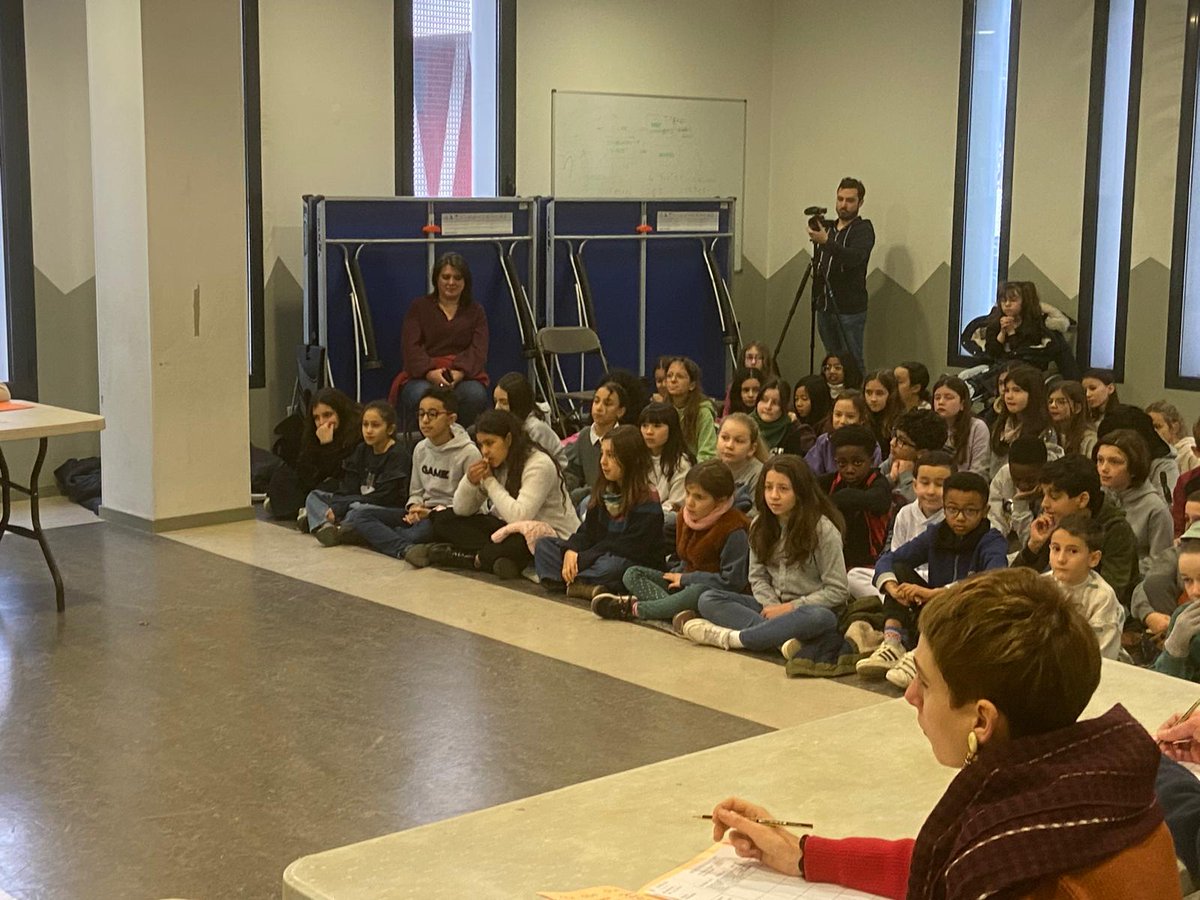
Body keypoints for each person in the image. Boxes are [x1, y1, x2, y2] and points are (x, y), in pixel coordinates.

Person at [712, 568, 1180, 900]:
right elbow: (940, 861)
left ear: (981, 721)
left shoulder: (1023, 880)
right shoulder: (1080, 799)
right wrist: (802, 854)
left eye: (926, 681)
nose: (910, 695)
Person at [675, 455, 851, 663]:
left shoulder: (823, 530)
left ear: (800, 491)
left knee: (821, 618)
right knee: (708, 599)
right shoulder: (759, 525)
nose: (774, 496)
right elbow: (757, 577)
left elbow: (838, 590)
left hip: (807, 611)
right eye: (768, 488)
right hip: (769, 606)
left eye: (783, 489)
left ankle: (733, 638)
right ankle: (780, 640)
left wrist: (790, 608)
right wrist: (773, 606)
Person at [859, 472, 1007, 688]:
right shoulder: (936, 534)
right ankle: (892, 642)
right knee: (898, 570)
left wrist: (936, 594)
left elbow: (994, 579)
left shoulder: (992, 540)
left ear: (985, 511)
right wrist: (892, 587)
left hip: (968, 616)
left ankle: (921, 658)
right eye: (952, 509)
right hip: (932, 612)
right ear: (944, 508)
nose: (960, 517)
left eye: (970, 511)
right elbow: (890, 559)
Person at [420, 410, 578, 578]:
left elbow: (520, 516)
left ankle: (472, 558)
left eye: (490, 443)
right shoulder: (497, 462)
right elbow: (461, 509)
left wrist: (490, 482)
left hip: (550, 537)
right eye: (481, 445)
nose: (485, 451)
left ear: (508, 439)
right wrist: (470, 482)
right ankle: (496, 559)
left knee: (518, 542)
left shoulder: (539, 464)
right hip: (508, 528)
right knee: (444, 519)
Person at [593, 460, 749, 623]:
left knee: (697, 591)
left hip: (711, 591)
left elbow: (732, 582)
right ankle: (673, 610)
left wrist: (686, 579)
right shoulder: (685, 516)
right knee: (632, 574)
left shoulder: (733, 529)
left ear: (720, 501)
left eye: (699, 497)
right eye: (688, 493)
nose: (689, 502)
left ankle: (634, 609)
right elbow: (685, 559)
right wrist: (677, 575)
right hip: (683, 581)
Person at [534, 425, 664, 601]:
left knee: (614, 567)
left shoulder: (647, 497)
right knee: (544, 545)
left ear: (630, 458)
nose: (603, 461)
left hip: (628, 560)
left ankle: (568, 581)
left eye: (611, 455)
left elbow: (630, 548)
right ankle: (580, 584)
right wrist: (571, 549)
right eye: (602, 454)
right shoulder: (604, 491)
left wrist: (583, 558)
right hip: (597, 555)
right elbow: (587, 532)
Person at [350, 388, 480, 561]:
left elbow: (473, 504)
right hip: (421, 512)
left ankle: (381, 538)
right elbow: (416, 491)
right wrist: (414, 507)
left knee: (420, 533)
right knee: (361, 514)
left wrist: (431, 513)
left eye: (433, 414)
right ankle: (406, 548)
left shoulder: (469, 453)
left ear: (451, 419)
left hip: (446, 518)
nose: (425, 420)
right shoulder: (420, 448)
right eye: (421, 414)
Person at [1010, 455, 1138, 606]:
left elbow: (1111, 596)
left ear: (1082, 499)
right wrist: (1033, 546)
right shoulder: (1056, 520)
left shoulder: (1116, 529)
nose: (1044, 504)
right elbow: (1013, 584)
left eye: (1054, 497)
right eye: (1044, 495)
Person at [396, 252, 489, 427]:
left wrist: (459, 373)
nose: (451, 282)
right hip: (422, 377)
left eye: (457, 278)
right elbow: (411, 347)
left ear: (465, 281)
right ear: (436, 279)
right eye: (446, 277)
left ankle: (459, 439)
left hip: (464, 377)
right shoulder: (418, 307)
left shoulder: (476, 311)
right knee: (420, 394)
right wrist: (430, 373)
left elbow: (479, 349)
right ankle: (431, 441)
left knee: (475, 395)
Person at [846, 450, 954, 600]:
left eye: (939, 485)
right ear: (915, 485)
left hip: (936, 584)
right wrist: (893, 583)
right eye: (924, 483)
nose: (931, 491)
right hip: (903, 578)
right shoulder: (905, 513)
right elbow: (895, 558)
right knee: (854, 575)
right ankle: (897, 599)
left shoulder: (954, 520)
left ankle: (899, 600)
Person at [305, 400, 410, 545]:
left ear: (390, 429)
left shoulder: (398, 455)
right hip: (356, 500)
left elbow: (385, 497)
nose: (369, 430)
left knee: (359, 511)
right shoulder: (361, 449)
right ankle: (328, 526)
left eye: (375, 425)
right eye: (365, 425)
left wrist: (344, 504)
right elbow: (349, 486)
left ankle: (328, 525)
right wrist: (341, 503)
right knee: (315, 496)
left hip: (383, 506)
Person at [807, 177, 875, 373]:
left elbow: (854, 258)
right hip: (824, 306)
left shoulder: (863, 229)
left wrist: (826, 242)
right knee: (832, 361)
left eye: (850, 200)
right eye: (840, 199)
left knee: (852, 361)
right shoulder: (829, 228)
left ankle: (856, 391)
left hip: (849, 310)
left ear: (860, 203)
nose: (844, 205)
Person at [265, 387, 362, 523]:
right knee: (284, 475)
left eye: (328, 415)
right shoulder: (313, 433)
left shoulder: (356, 434)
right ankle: (296, 507)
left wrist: (327, 445)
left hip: (342, 482)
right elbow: (304, 469)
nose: (322, 422)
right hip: (318, 480)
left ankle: (307, 511)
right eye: (317, 418)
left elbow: (338, 471)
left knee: (327, 488)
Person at [1043, 514, 1124, 659]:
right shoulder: (1040, 585)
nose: (1061, 559)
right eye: (1056, 549)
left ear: (1093, 558)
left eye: (1072, 551)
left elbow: (1101, 654)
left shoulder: (1102, 597)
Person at [1097, 429, 1173, 574]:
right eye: (1100, 460)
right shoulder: (1099, 498)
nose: (1104, 468)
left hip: (1139, 582)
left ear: (1134, 467)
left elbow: (1161, 563)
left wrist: (1122, 569)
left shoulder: (1155, 508)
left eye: (1114, 462)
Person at [819, 424, 892, 570]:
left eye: (857, 463)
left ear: (871, 460)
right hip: (832, 562)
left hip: (870, 566)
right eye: (842, 463)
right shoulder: (830, 481)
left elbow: (873, 501)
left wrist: (828, 503)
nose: (849, 470)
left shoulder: (879, 484)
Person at [1099, 404, 1181, 504]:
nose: (1104, 467)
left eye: (1114, 461)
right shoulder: (1103, 464)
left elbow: (1168, 506)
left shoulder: (1163, 466)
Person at [563, 380, 628, 505]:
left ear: (620, 411)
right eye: (596, 401)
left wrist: (584, 493)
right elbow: (573, 472)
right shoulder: (584, 435)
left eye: (607, 404)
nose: (599, 408)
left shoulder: (624, 438)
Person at [988, 363, 1058, 476]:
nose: (1009, 396)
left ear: (1033, 394)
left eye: (1017, 390)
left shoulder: (1045, 431)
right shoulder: (1000, 425)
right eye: (1007, 390)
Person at [639, 400, 693, 544]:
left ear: (671, 429)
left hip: (664, 520)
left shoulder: (681, 464)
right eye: (644, 426)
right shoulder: (637, 457)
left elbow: (676, 505)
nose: (649, 432)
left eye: (657, 426)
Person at [493, 371, 568, 470]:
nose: (497, 408)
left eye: (504, 403)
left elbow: (541, 466)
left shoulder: (536, 428)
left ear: (518, 403)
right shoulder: (505, 425)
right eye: (496, 401)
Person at [986, 435, 1047, 555]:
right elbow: (995, 523)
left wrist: (1020, 503)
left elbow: (1032, 544)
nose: (1022, 485)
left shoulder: (1055, 491)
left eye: (1030, 480)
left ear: (1044, 469)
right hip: (1007, 547)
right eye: (1016, 479)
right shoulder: (1004, 476)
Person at [1152, 535, 1200, 683]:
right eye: (1187, 580)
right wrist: (1174, 648)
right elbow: (1162, 684)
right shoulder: (1183, 617)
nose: (1195, 591)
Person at [804, 391, 881, 477]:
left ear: (862, 420)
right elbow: (808, 473)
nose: (842, 421)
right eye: (838, 415)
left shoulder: (871, 446)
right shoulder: (823, 442)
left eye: (850, 416)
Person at [880, 408, 948, 504]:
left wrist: (905, 475)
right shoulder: (895, 458)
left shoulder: (937, 470)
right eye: (894, 435)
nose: (892, 443)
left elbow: (916, 502)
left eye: (901, 441)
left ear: (922, 453)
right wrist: (890, 478)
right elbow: (870, 485)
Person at [931, 375, 989, 477]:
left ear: (962, 403)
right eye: (937, 398)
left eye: (948, 397)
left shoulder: (977, 427)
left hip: (966, 483)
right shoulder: (929, 425)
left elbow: (980, 470)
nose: (941, 402)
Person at [663, 356, 717, 463]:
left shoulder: (703, 412)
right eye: (669, 376)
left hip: (695, 468)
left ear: (692, 385)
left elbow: (707, 453)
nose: (673, 380)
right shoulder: (661, 410)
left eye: (680, 376)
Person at [717, 413, 766, 513]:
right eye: (725, 438)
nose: (729, 445)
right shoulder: (710, 469)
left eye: (739, 441)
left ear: (752, 449)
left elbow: (756, 514)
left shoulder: (759, 474)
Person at [1149, 400, 1200, 479]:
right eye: (1149, 427)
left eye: (1158, 426)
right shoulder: (1150, 455)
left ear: (1174, 428)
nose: (1153, 432)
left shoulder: (1189, 453)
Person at [1047, 379, 1097, 458]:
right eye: (1050, 401)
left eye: (1061, 402)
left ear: (1077, 408)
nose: (1053, 406)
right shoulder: (1049, 433)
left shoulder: (1089, 439)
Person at [862, 368, 902, 458]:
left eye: (879, 393)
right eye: (868, 393)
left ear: (892, 394)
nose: (873, 399)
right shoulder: (861, 418)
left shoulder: (900, 421)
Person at [788, 375, 833, 456]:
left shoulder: (827, 426)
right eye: (796, 399)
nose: (799, 404)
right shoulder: (794, 417)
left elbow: (813, 453)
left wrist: (797, 425)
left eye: (804, 399)